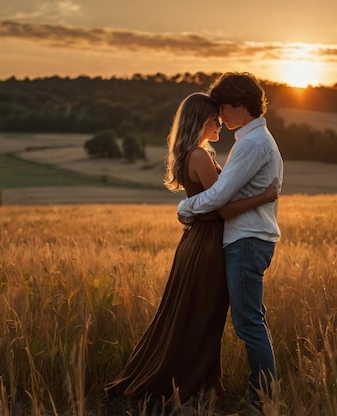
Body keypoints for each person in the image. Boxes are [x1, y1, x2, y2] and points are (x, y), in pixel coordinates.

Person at [102, 92, 279, 408]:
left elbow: (215, 202)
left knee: (197, 315)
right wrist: (263, 197)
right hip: (206, 244)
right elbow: (218, 209)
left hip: (201, 241)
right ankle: (181, 384)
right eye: (215, 118)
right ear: (201, 120)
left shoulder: (197, 154)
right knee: (198, 317)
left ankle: (198, 385)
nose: (220, 124)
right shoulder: (198, 156)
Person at [177, 72, 284, 410]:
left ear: (239, 103)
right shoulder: (252, 140)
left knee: (249, 322)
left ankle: (263, 399)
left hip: (247, 241)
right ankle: (263, 395)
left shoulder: (252, 143)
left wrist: (184, 207)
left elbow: (219, 197)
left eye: (223, 107)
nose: (220, 116)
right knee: (252, 319)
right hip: (248, 239)